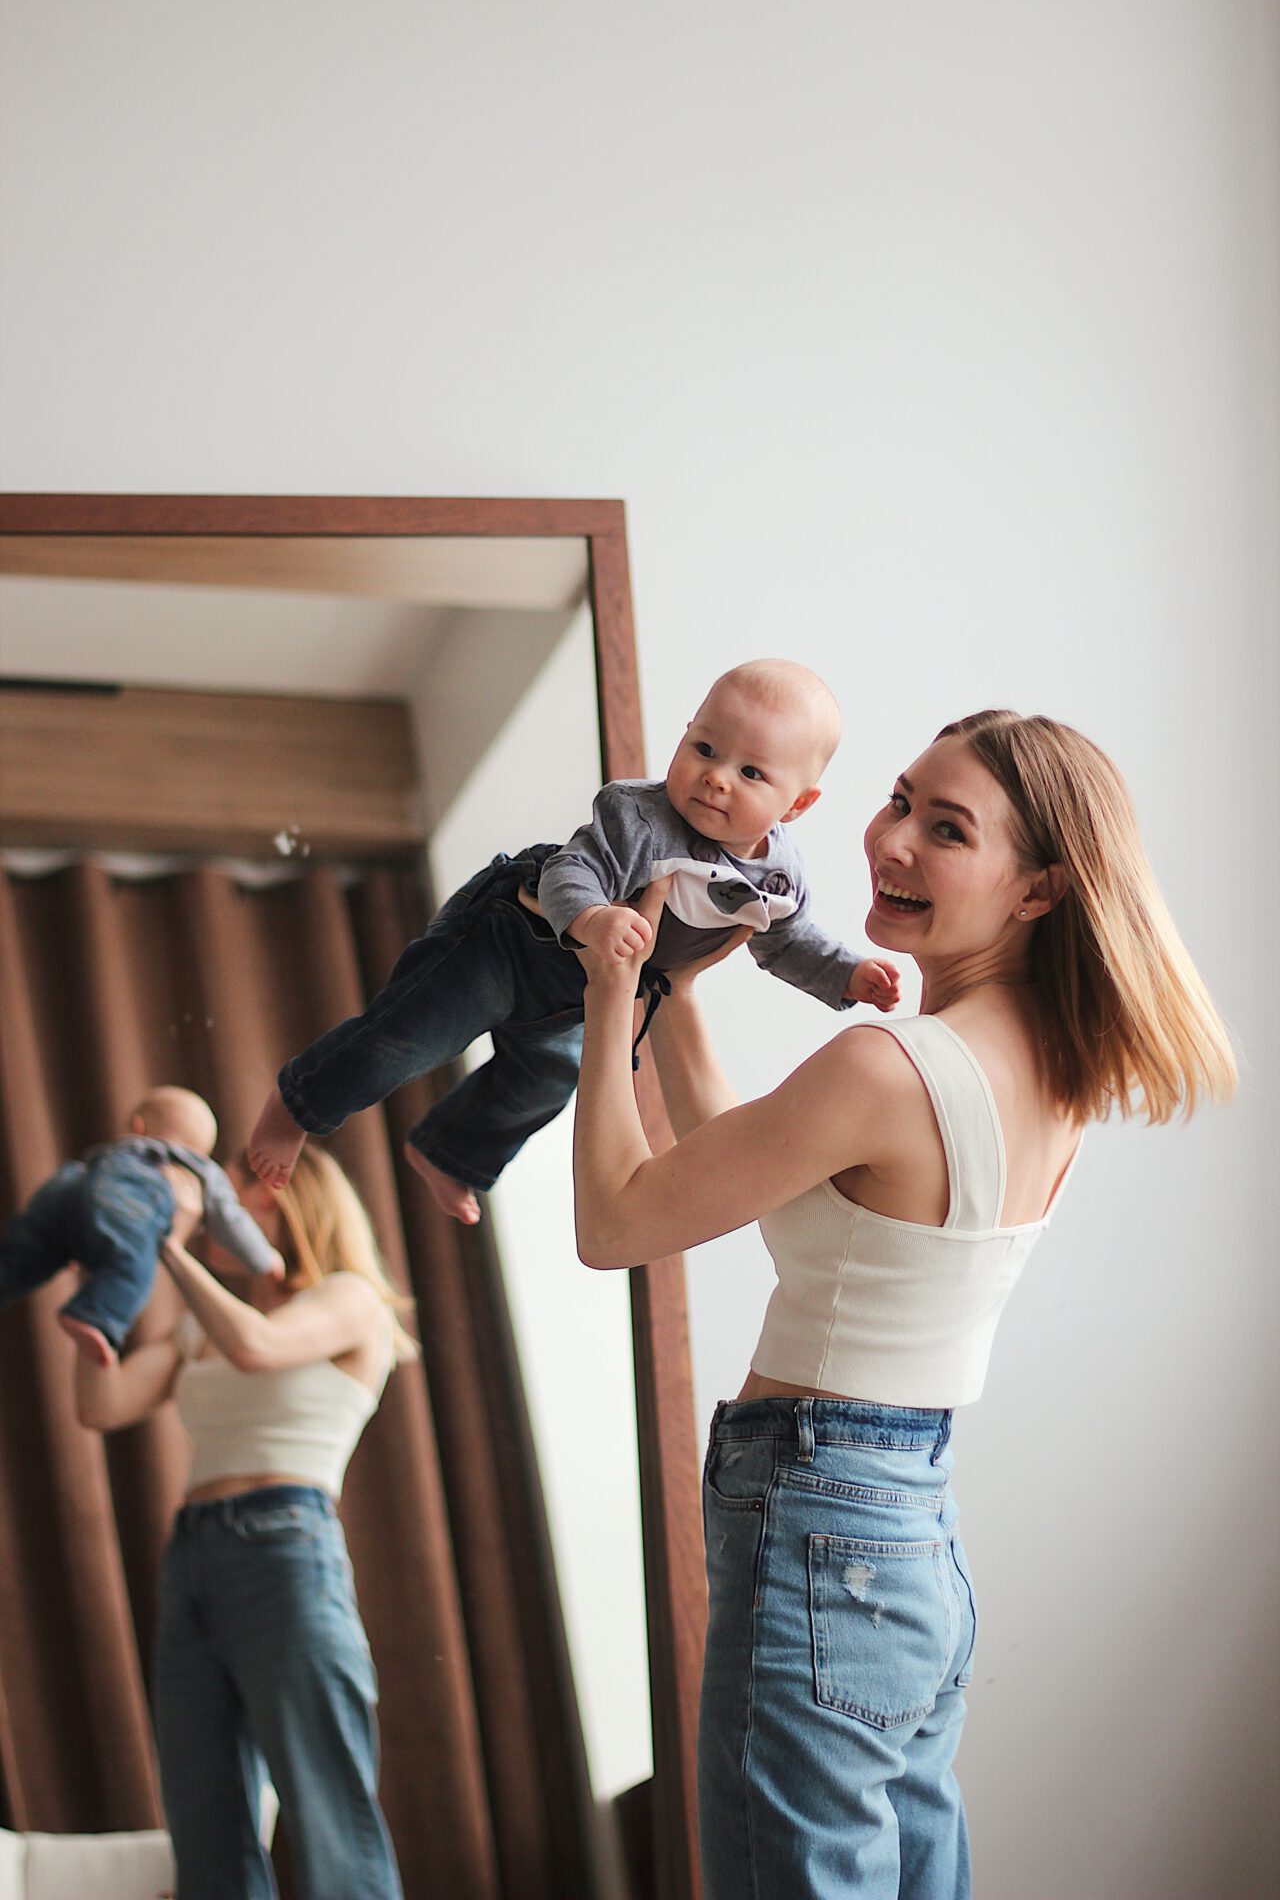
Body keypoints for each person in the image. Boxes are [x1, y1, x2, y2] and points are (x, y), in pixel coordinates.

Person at [570, 708, 1237, 1900]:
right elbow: (741, 1158)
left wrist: (608, 986)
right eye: (895, 803)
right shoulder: (1045, 1069)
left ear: (1035, 890)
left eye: (945, 829)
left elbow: (615, 1223)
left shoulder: (885, 1068)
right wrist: (674, 987)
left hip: (814, 1527)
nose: (889, 844)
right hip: (909, 1540)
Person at [247, 659, 901, 1224]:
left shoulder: (779, 877)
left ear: (798, 804)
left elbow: (787, 944)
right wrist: (593, 919)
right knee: (405, 1040)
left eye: (751, 772)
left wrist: (846, 976)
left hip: (586, 994)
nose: (717, 777)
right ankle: (297, 1105)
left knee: (547, 1083)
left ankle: (449, 1152)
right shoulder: (638, 814)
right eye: (704, 749)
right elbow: (569, 872)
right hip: (512, 941)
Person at [73, 1141, 415, 1900]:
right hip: (192, 1554)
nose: (209, 1212)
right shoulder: (201, 1328)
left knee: (329, 1813)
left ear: (282, 1200)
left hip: (284, 1549)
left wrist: (161, 1244)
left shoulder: (350, 1298)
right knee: (205, 1825)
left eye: (230, 1190)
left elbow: (258, 1346)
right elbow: (100, 1405)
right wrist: (103, 1266)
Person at [0, 1084, 282, 1367]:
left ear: (138, 1126)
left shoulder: (123, 1149)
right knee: (132, 1266)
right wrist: (263, 1258)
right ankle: (94, 1315)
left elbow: (90, 1192)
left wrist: (73, 1231)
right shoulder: (200, 1169)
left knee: (29, 1251)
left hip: (73, 1183)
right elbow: (230, 1219)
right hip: (126, 1199)